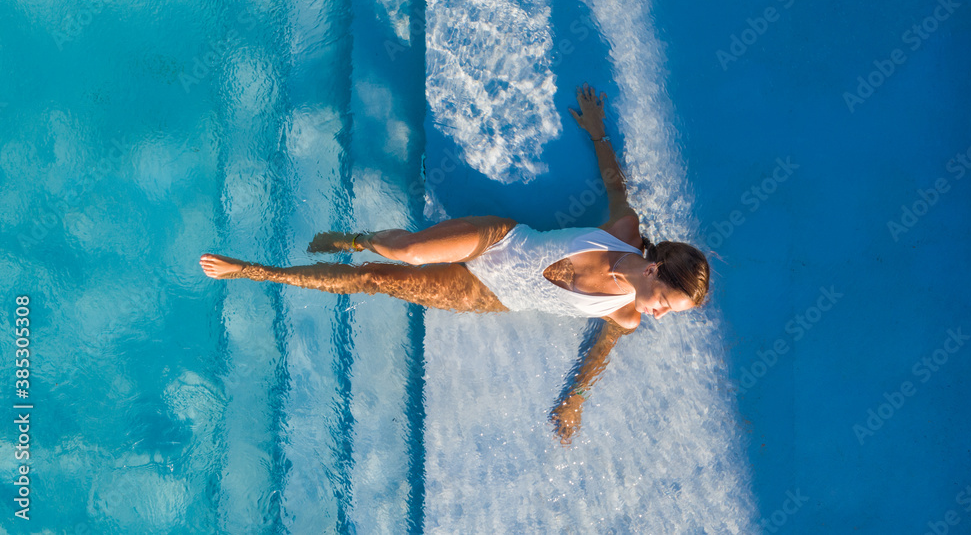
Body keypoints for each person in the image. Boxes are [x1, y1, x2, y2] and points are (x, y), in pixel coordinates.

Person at [200, 83, 710, 443]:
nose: (660, 315)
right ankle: (356, 236)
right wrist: (598, 132)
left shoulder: (625, 314)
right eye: (667, 301)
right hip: (500, 243)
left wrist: (575, 399)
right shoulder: (623, 229)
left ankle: (257, 271)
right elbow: (615, 185)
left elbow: (601, 353)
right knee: (405, 251)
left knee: (375, 281)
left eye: (670, 312)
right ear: (653, 271)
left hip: (495, 295)